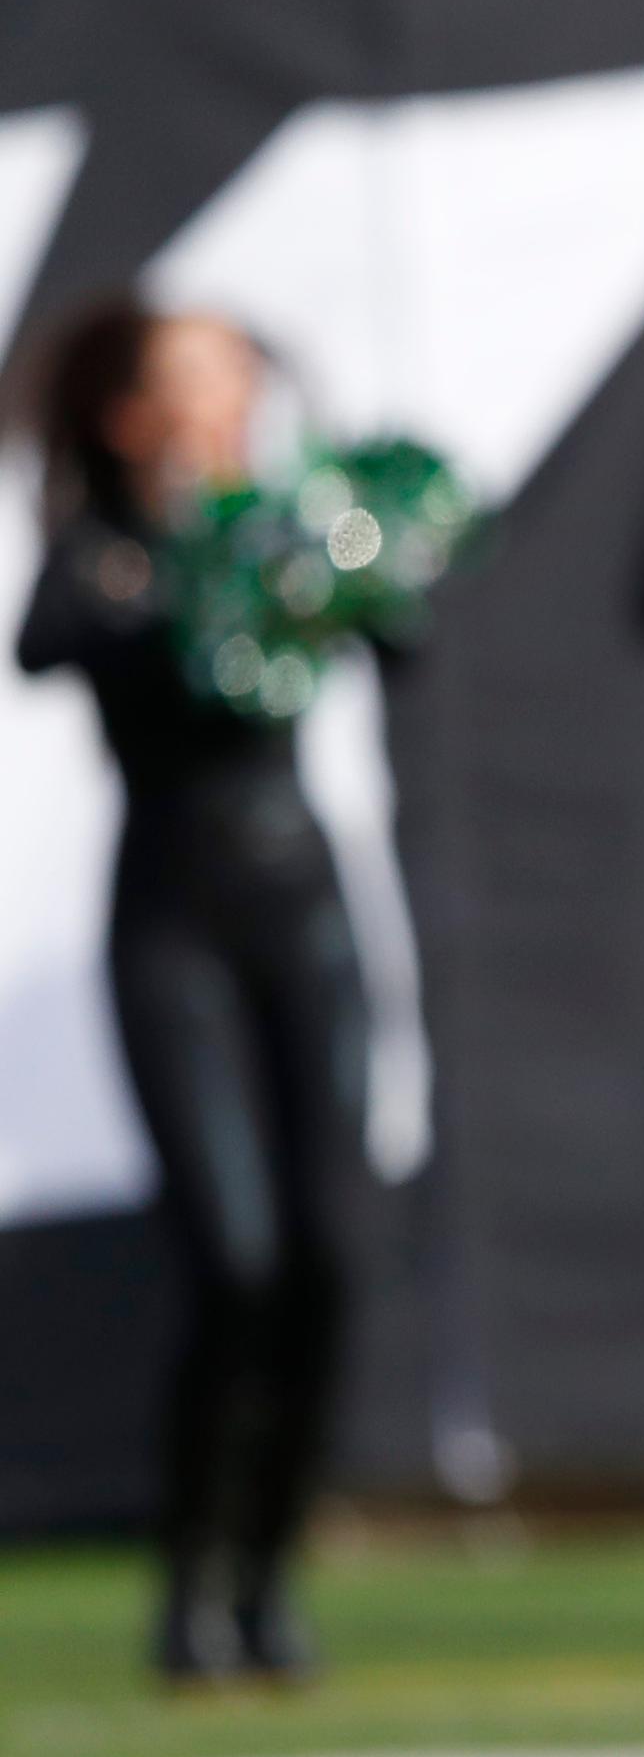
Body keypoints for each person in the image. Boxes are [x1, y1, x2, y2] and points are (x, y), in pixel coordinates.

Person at [15, 300, 368, 1684]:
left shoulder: (294, 532)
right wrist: (175, 560)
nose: (212, 407)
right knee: (235, 1256)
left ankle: (274, 1568)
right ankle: (192, 1572)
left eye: (227, 381)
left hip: (308, 918)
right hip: (174, 923)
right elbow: (47, 638)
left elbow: (399, 624)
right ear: (124, 413)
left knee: (328, 1259)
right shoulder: (107, 552)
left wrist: (351, 553)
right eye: (179, 385)